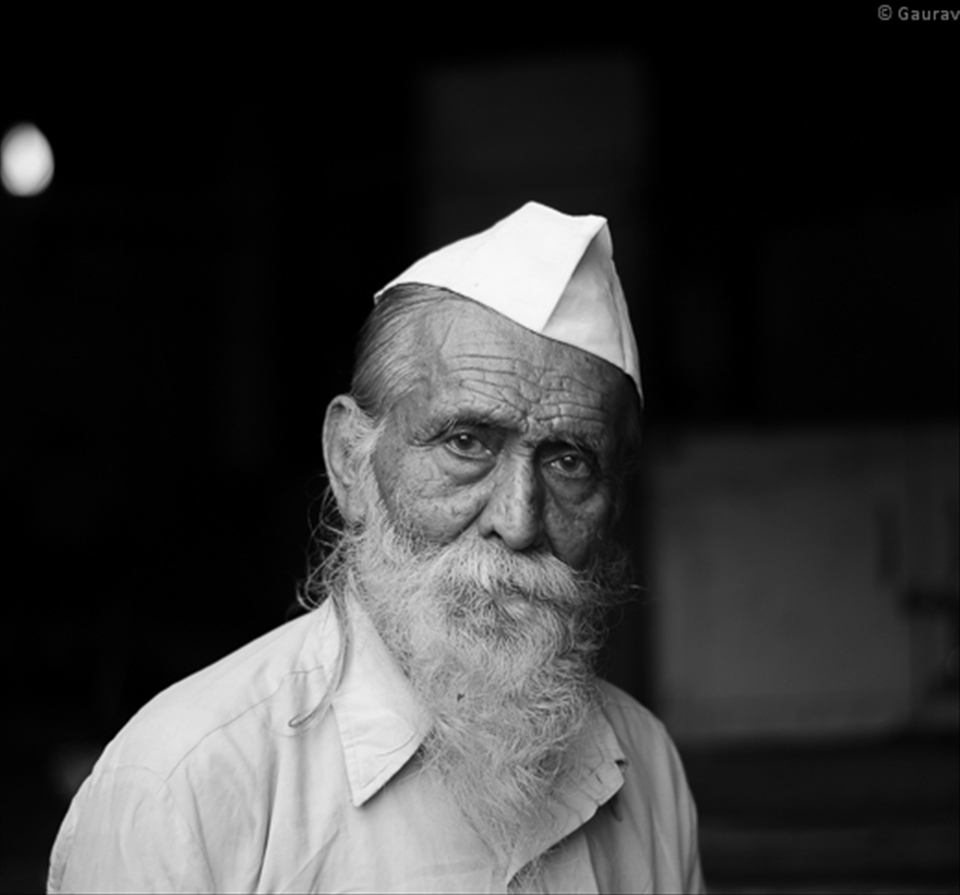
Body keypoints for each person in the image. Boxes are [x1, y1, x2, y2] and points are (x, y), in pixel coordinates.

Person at [47, 202, 704, 893]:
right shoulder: (186, 781)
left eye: (569, 461)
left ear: (614, 505)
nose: (518, 520)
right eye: (466, 443)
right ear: (351, 460)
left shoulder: (646, 765)